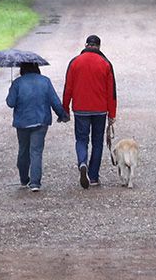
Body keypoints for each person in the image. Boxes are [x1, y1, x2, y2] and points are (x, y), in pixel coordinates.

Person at [62, 34, 117, 189]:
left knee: (81, 140)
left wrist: (65, 109)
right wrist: (112, 114)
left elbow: (68, 88)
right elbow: (111, 91)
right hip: (100, 109)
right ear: (99, 46)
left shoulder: (75, 62)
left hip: (80, 108)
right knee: (97, 142)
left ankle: (82, 163)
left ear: (86, 45)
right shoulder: (105, 63)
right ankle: (93, 177)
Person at [6, 62, 69, 192]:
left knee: (23, 150)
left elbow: (10, 103)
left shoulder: (17, 83)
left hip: (22, 122)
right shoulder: (45, 81)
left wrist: (11, 89)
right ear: (37, 68)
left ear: (22, 69)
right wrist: (62, 115)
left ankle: (24, 179)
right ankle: (35, 183)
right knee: (36, 151)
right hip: (41, 121)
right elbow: (54, 101)